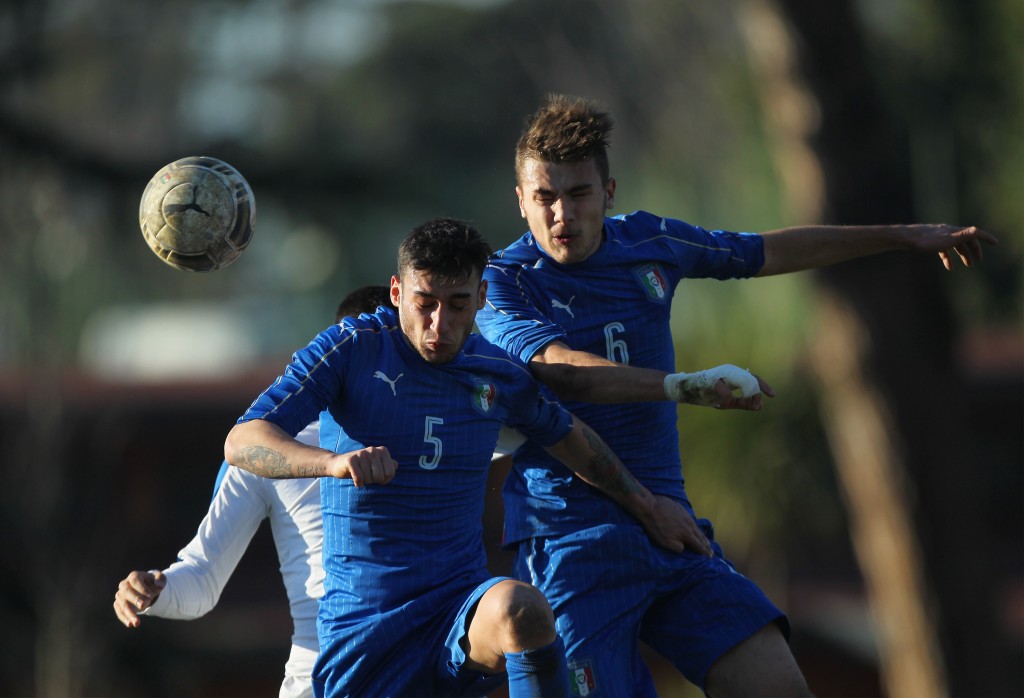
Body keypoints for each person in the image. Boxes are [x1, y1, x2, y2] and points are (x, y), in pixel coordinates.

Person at [474, 93, 999, 697]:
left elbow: (765, 250)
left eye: (578, 194)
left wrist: (902, 236)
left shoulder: (649, 242)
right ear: (521, 201)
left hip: (672, 533)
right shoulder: (504, 282)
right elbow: (564, 373)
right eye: (544, 197)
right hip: (571, 542)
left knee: (779, 686)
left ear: (609, 192)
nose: (560, 214)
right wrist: (686, 386)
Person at [224, 217, 710, 698]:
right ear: (397, 293)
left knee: (522, 610)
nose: (440, 324)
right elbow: (243, 441)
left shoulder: (497, 373)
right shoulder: (350, 348)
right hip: (365, 633)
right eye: (425, 304)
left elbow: (571, 436)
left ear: (480, 299)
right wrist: (332, 463)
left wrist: (648, 507)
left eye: (458, 305)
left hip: (458, 611)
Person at [112, 285, 394, 698]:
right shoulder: (267, 449)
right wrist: (157, 589)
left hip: (423, 671)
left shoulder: (452, 430)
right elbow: (203, 578)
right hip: (319, 680)